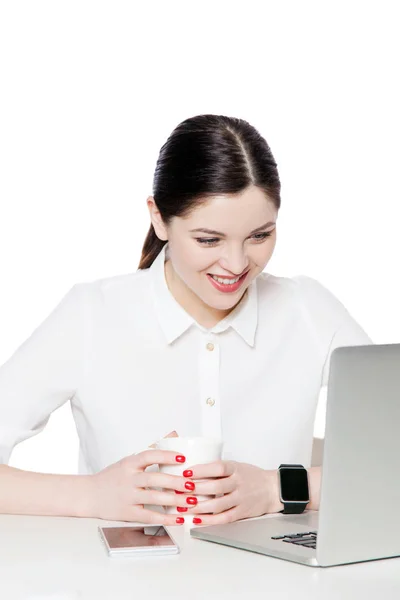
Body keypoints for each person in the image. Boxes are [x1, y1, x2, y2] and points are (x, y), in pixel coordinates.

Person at [0, 114, 372, 527]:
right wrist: (93, 495)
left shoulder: (308, 310)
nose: (235, 264)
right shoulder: (92, 314)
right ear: (159, 218)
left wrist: (273, 489)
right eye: (208, 240)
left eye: (260, 236)